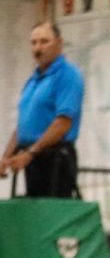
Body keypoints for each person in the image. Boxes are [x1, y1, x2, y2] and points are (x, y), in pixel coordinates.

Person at [0, 20, 84, 198]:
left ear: (59, 43)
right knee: (36, 214)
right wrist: (6, 157)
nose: (38, 48)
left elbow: (63, 122)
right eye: (34, 43)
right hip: (33, 158)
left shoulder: (68, 75)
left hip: (56, 158)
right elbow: (23, 125)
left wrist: (30, 152)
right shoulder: (33, 80)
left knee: (53, 215)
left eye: (45, 41)